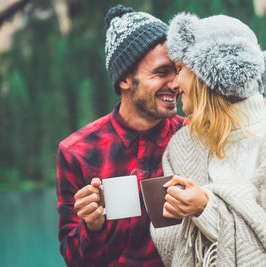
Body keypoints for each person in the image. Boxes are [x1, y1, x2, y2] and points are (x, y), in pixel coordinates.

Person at [150, 13, 266, 266]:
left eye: (179, 70)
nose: (175, 84)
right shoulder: (181, 147)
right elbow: (169, 247)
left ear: (207, 73)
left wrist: (207, 207)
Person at [56, 5, 184, 267]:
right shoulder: (77, 152)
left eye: (177, 71)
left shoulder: (193, 136)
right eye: (161, 72)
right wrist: (91, 227)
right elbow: (74, 260)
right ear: (125, 79)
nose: (176, 84)